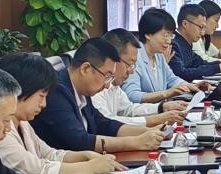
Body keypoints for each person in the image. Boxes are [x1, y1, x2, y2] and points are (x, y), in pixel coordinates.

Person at [0, 53, 127, 174]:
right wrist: (91, 167)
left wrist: (85, 156)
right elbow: (40, 170)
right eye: (41, 96)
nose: (44, 104)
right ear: (20, 90)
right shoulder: (0, 132)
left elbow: (49, 154)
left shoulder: (23, 123)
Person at [32, 37, 163, 151]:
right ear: (85, 69)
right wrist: (135, 142)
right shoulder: (56, 91)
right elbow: (80, 141)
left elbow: (102, 124)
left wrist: (148, 132)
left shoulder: (81, 89)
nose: (107, 85)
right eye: (107, 76)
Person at [94, 28, 190, 125]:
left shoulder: (113, 85)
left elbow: (128, 110)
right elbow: (107, 122)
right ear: (112, 59)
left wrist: (162, 107)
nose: (131, 71)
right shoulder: (95, 87)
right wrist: (157, 119)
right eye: (129, 64)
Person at [122, 8, 202, 104]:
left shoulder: (158, 55)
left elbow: (172, 79)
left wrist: (191, 86)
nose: (169, 41)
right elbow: (132, 95)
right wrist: (165, 94)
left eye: (171, 36)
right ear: (148, 34)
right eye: (165, 35)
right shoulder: (134, 56)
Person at [171, 2, 221, 81]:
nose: (202, 33)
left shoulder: (186, 43)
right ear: (185, 24)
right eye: (200, 27)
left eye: (204, 28)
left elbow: (201, 63)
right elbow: (181, 73)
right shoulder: (173, 44)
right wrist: (218, 68)